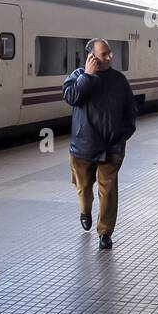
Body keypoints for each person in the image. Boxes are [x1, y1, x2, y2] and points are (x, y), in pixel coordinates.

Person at [63, 38, 138, 250]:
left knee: (109, 191)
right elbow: (72, 97)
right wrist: (88, 75)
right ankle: (85, 211)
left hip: (112, 148)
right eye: (104, 54)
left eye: (109, 53)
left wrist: (123, 135)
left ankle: (105, 232)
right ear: (91, 57)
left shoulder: (119, 80)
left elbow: (130, 111)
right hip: (83, 148)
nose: (109, 57)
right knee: (84, 188)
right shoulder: (77, 77)